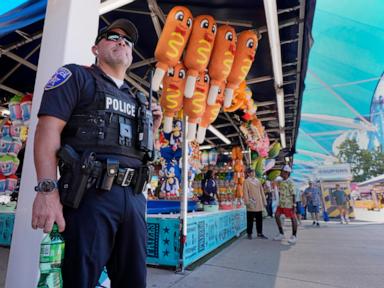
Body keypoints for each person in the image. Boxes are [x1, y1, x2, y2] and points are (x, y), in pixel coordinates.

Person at [31, 19, 163, 287]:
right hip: (89, 197)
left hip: (134, 198)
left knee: (135, 281)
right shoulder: (76, 77)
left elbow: (143, 154)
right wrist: (47, 191)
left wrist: (154, 128)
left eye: (127, 41)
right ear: (95, 48)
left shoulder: (137, 98)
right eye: (113, 36)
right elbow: (47, 130)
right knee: (79, 280)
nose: (121, 42)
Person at [273, 165, 298, 244]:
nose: (281, 173)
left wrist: (294, 205)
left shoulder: (290, 182)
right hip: (281, 203)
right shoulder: (281, 181)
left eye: (282, 172)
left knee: (293, 218)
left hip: (289, 204)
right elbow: (277, 189)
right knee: (276, 216)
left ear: (287, 173)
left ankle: (294, 236)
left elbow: (293, 193)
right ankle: (281, 233)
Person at [243, 168, 268, 239]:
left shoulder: (258, 180)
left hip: (259, 202)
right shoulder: (246, 181)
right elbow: (245, 192)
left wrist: (264, 201)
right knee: (250, 219)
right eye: (251, 172)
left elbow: (262, 191)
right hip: (251, 201)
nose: (253, 173)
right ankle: (249, 233)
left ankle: (259, 233)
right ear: (248, 173)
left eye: (253, 172)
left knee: (259, 219)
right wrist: (247, 202)